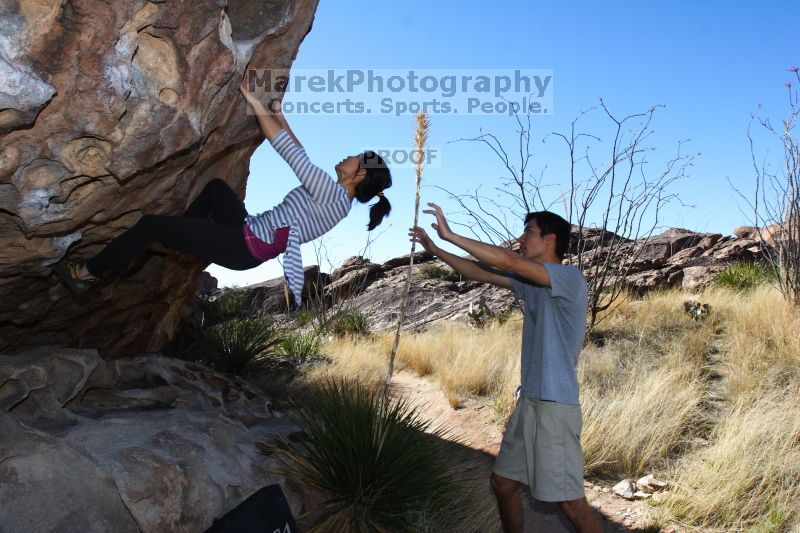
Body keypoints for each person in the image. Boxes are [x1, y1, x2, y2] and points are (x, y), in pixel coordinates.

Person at [54, 77, 392, 305]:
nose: (347, 156)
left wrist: (253, 101)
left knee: (149, 226)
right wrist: (279, 112)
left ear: (359, 173)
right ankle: (183, 235)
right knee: (216, 190)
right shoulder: (338, 200)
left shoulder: (328, 192)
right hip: (246, 231)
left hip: (241, 247)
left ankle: (86, 273)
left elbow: (289, 151)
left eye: (355, 157)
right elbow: (299, 148)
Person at [409, 204, 603, 533]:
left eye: (529, 232)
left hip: (555, 407)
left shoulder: (569, 279)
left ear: (550, 239)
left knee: (570, 503)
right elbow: (480, 272)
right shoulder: (532, 283)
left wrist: (450, 233)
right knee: (502, 484)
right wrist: (436, 249)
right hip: (530, 402)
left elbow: (510, 260)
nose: (521, 238)